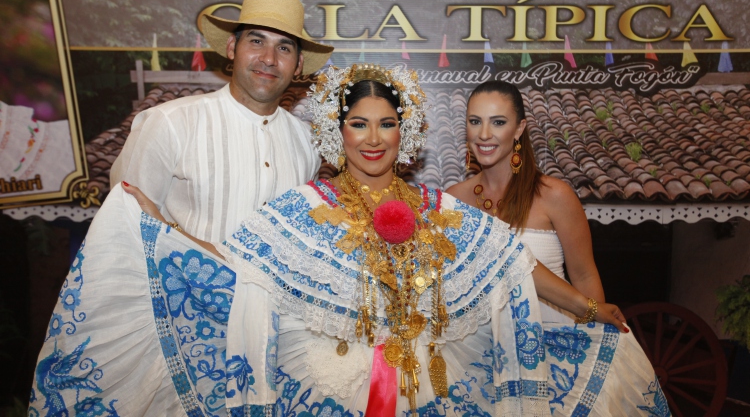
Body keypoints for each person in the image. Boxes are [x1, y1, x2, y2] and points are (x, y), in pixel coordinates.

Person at [30, 64, 668, 416]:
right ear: (338, 133)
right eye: (358, 124)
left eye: (386, 124)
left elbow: (512, 263)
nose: (372, 138)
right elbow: (238, 265)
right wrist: (160, 229)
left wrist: (590, 308)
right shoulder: (304, 206)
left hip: (433, 387)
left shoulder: (438, 205)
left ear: (403, 132)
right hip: (327, 389)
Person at [110, 0, 334, 243]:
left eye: (284, 48)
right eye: (256, 41)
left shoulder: (307, 142)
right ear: (231, 48)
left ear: (298, 65)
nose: (269, 58)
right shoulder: (170, 123)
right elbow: (122, 225)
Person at [447, 81, 604, 323]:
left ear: (519, 129)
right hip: (479, 342)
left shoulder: (555, 195)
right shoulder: (453, 199)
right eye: (475, 121)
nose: (484, 134)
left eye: (498, 122)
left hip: (553, 338)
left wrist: (596, 336)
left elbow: (584, 277)